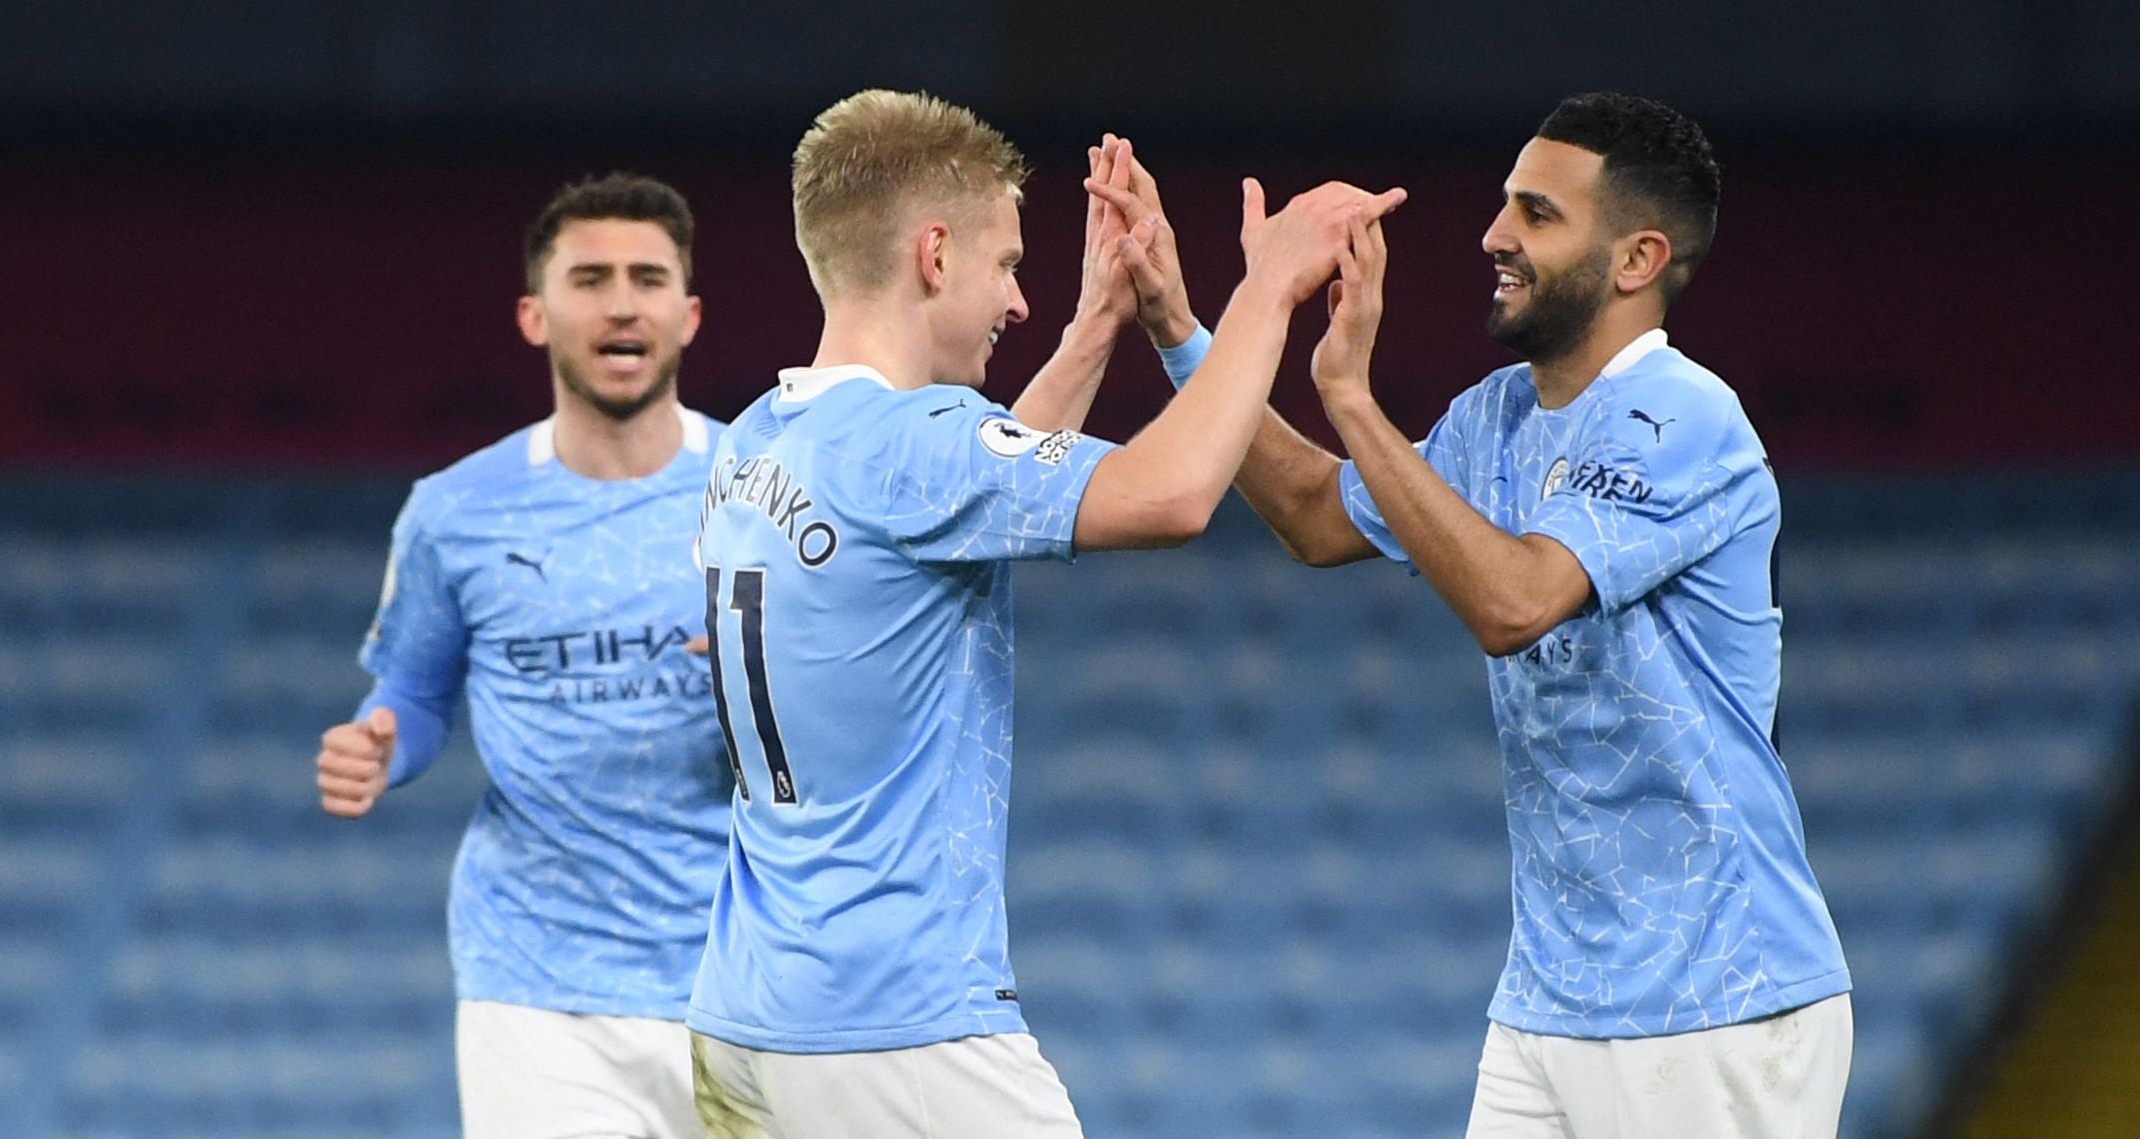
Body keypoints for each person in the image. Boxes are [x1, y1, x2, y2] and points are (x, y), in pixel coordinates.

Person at [1090, 95, 1852, 1139]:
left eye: (1537, 214)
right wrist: (1182, 328)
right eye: (1505, 206)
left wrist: (1353, 400)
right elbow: (1319, 517)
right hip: (1550, 999)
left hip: (1715, 998)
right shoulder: (1495, 415)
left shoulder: (1684, 416)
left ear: (1637, 259)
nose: (1494, 235)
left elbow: (1515, 601)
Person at [682, 90, 1403, 1137]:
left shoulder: (756, 438)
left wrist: (1095, 325)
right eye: (1007, 264)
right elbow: (1171, 493)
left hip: (746, 1021)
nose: (1015, 301)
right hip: (899, 1032)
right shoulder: (911, 443)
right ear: (934, 255)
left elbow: (963, 500)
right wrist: (1267, 289)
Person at [315, 173, 735, 1139]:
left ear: (690, 313)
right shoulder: (455, 512)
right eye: (589, 278)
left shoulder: (767, 494)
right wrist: (383, 742)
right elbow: (415, 690)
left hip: (746, 972)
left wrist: (782, 679)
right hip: (536, 984)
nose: (621, 302)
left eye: (647, 277)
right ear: (534, 315)